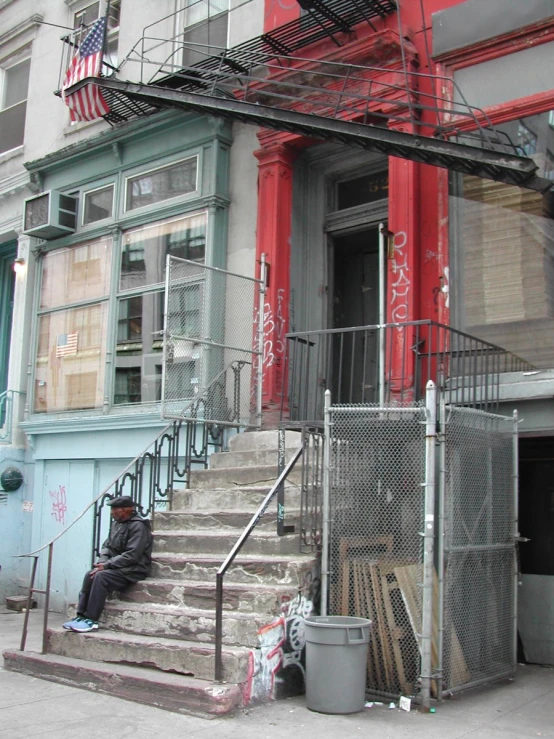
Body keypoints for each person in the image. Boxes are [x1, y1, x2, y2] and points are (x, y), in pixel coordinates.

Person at [63, 495, 153, 633]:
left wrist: (107, 566)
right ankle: (80, 616)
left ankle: (92, 620)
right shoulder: (116, 524)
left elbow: (132, 555)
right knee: (90, 575)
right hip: (117, 566)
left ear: (126, 510)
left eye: (115, 509)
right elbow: (107, 546)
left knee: (101, 577)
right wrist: (102, 562)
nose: (112, 512)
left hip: (134, 569)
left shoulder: (139, 526)